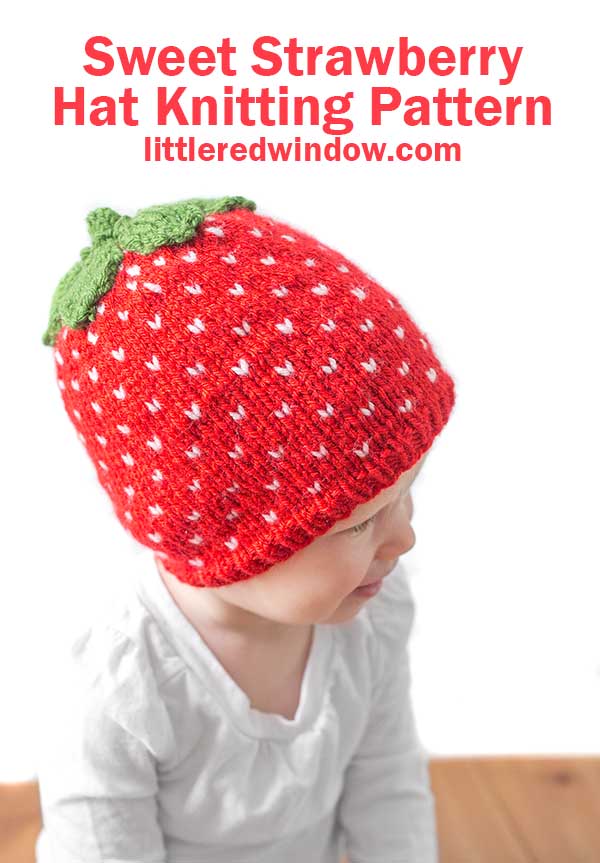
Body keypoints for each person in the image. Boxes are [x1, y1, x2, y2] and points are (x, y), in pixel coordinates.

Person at [36, 196, 456, 863]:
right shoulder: (123, 687)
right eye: (361, 521)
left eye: (406, 495)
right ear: (219, 538)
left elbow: (389, 789)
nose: (404, 538)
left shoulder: (370, 623)